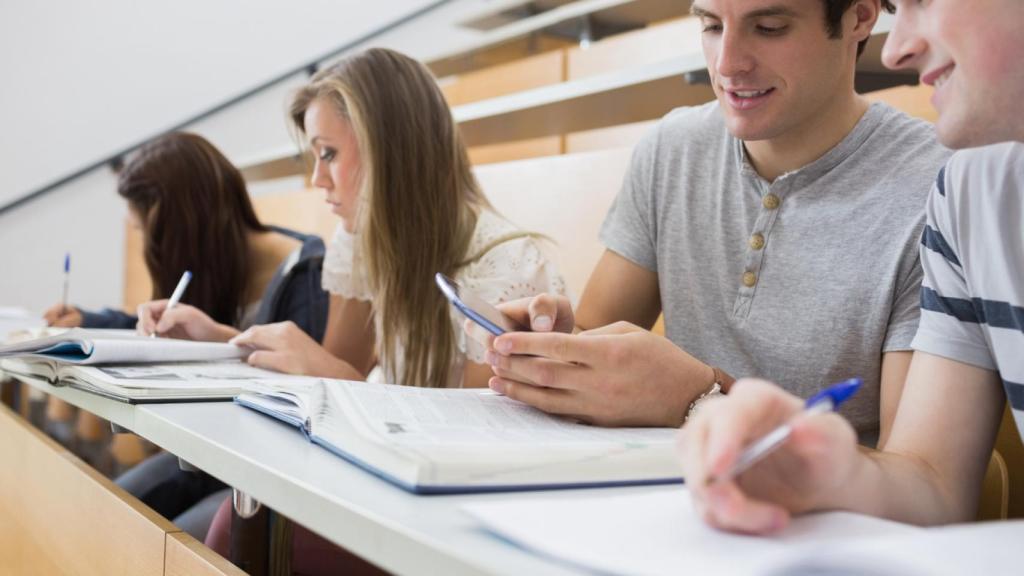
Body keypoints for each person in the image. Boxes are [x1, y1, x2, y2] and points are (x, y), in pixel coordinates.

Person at [473, 0, 948, 446]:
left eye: (769, 28)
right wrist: (557, 348)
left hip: (821, 523)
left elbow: (908, 474)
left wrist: (699, 403)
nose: (726, 64)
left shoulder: (933, 188)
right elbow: (597, 336)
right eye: (711, 25)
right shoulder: (672, 150)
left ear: (859, 17)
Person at [199, 47, 565, 573]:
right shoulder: (359, 237)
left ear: (388, 151)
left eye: (328, 153)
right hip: (385, 489)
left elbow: (463, 458)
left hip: (462, 526)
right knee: (241, 520)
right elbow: (332, 389)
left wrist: (331, 373)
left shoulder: (505, 265)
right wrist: (221, 339)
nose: (317, 180)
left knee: (242, 526)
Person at [678, 0, 1024, 534]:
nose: (896, 48)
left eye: (927, 1)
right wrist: (826, 470)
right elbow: (933, 485)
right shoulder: (971, 192)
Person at [44, 131, 330, 541]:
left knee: (153, 541)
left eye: (150, 234)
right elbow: (174, 334)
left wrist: (219, 341)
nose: (151, 248)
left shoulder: (304, 274)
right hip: (207, 456)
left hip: (258, 475)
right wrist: (90, 319)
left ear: (185, 225)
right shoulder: (218, 263)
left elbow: (295, 400)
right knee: (102, 516)